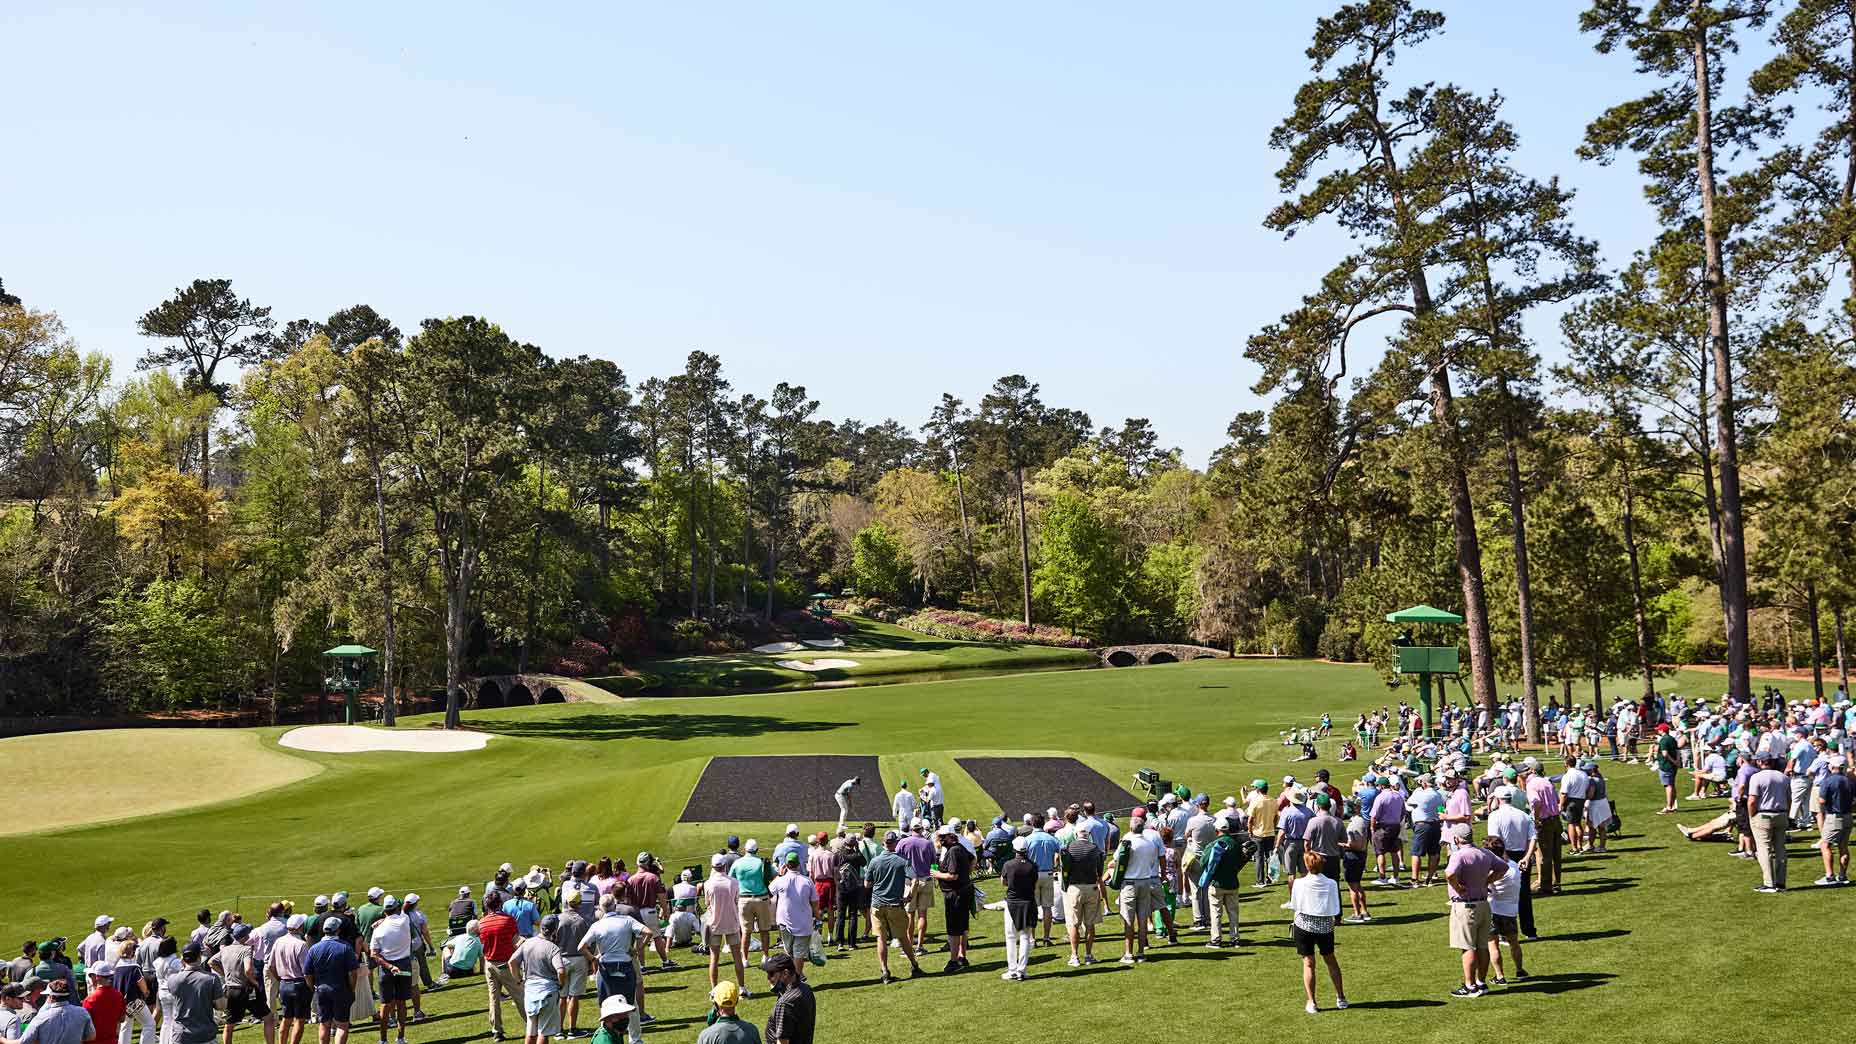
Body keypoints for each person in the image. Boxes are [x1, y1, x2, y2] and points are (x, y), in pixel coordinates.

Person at [577, 900, 649, 1044]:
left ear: (601, 909)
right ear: (614, 906)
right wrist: (637, 949)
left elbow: (581, 947)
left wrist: (593, 958)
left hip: (606, 969)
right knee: (630, 1003)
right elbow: (648, 932)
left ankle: (606, 1034)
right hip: (625, 965)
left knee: (605, 1004)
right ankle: (635, 1039)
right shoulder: (627, 920)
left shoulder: (597, 925)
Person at [1444, 833, 1506, 998]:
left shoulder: (1459, 855)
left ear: (1457, 839)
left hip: (1466, 906)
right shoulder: (1485, 853)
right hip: (1484, 905)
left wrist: (1458, 888)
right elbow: (1503, 867)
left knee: (1468, 947)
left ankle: (1470, 986)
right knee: (1483, 946)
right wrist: (1487, 881)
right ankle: (1481, 982)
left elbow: (1449, 874)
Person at [1288, 853, 1346, 1015]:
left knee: (1308, 963)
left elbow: (1295, 905)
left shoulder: (1299, 883)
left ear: (1307, 865)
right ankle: (1340, 997)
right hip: (1325, 927)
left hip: (1303, 926)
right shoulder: (1331, 883)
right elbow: (1335, 908)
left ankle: (1311, 1002)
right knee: (1331, 960)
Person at [864, 830, 921, 983]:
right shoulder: (902, 861)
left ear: (883, 843)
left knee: (881, 939)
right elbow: (915, 880)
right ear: (895, 843)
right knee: (903, 938)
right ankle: (914, 965)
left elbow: (867, 884)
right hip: (895, 904)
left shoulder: (875, 861)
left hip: (877, 905)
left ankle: (884, 971)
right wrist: (909, 897)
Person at [1115, 810, 1164, 965]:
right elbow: (1152, 863)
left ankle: (1129, 953)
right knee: (1142, 919)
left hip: (1130, 882)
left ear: (1130, 828)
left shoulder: (1127, 841)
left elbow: (1117, 860)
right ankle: (1141, 952)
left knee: (1128, 920)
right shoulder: (1150, 844)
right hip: (1145, 881)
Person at [209, 925, 272, 1044]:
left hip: (231, 990)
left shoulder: (225, 950)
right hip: (247, 990)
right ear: (244, 937)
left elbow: (211, 962)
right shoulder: (246, 949)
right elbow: (248, 970)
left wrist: (224, 973)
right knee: (268, 1018)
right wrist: (255, 982)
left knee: (230, 1024)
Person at [365, 898, 412, 1044]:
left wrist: (389, 966)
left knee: (385, 1004)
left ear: (384, 911)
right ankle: (400, 1038)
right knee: (401, 1003)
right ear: (396, 908)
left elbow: (374, 954)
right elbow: (407, 905)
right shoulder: (405, 920)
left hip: (386, 969)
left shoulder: (378, 929)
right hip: (404, 965)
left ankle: (383, 1040)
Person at [510, 917, 563, 1044]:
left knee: (530, 1030)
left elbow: (512, 962)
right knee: (543, 1032)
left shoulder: (527, 943)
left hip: (530, 991)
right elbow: (561, 971)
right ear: (555, 930)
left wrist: (518, 980)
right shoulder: (553, 948)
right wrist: (561, 984)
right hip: (548, 991)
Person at [1483, 838, 1529, 984]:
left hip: (1493, 910)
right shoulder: (1514, 866)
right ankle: (1520, 970)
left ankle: (1499, 976)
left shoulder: (1491, 870)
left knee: (1493, 945)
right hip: (1510, 912)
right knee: (1514, 943)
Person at [929, 824, 973, 973]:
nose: (940, 840)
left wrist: (937, 875)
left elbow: (952, 875)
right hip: (963, 891)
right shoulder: (959, 847)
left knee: (954, 929)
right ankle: (962, 956)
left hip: (955, 894)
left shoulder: (953, 851)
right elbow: (972, 860)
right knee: (963, 927)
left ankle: (954, 960)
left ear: (950, 837)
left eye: (942, 837)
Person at [1195, 816, 1246, 948]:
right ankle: (1235, 939)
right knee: (1233, 913)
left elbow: (1203, 862)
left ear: (1217, 830)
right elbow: (1241, 861)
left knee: (1216, 914)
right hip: (1233, 883)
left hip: (1216, 884)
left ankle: (1216, 940)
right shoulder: (1235, 844)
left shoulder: (1213, 845)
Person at [304, 922, 357, 1044]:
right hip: (341, 989)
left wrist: (313, 989)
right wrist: (352, 989)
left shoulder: (314, 948)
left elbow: (307, 974)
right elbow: (352, 973)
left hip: (321, 990)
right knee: (342, 1025)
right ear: (338, 930)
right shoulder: (345, 947)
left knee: (324, 1024)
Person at [477, 894, 521, 1042]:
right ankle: (533, 1024)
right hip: (506, 963)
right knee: (519, 996)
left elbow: (482, 943)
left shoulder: (481, 923)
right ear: (500, 904)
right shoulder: (508, 920)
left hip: (489, 964)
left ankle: (496, 1031)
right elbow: (516, 940)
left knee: (494, 998)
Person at [701, 856, 746, 996]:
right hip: (731, 922)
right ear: (725, 865)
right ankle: (742, 988)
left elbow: (707, 903)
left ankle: (714, 989)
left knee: (714, 957)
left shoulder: (708, 884)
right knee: (737, 956)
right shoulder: (733, 882)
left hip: (715, 923)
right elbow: (736, 900)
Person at [1746, 755, 1791, 892]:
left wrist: (1751, 815)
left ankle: (1769, 883)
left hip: (1763, 814)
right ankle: (1781, 883)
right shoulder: (1783, 777)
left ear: (1760, 762)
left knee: (1764, 849)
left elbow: (1752, 800)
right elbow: (1789, 799)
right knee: (1780, 849)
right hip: (1781, 813)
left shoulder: (1757, 777)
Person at [996, 837, 1037, 981]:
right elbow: (1034, 883)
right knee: (1025, 937)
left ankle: (1012, 970)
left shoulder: (1008, 865)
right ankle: (1021, 970)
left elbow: (1003, 882)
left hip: (1012, 903)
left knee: (1011, 937)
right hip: (1027, 903)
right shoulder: (1032, 865)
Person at [768, 854, 819, 968]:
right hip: (803, 922)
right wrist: (818, 919)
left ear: (786, 865)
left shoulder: (780, 880)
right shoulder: (807, 881)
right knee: (798, 953)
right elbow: (815, 904)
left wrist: (780, 875)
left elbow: (770, 891)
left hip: (785, 922)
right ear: (799, 864)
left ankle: (793, 978)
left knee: (790, 952)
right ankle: (796, 978)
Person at [267, 918, 310, 1044]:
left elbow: (271, 966)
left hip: (284, 984)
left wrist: (280, 978)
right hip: (299, 985)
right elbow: (306, 971)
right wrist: (311, 986)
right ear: (299, 927)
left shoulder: (278, 941)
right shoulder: (301, 944)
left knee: (286, 1018)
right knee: (299, 1020)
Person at [12, 977, 93, 1044]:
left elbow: (24, 1041)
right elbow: (91, 1036)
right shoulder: (82, 1012)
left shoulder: (41, 1017)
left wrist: (2, 1040)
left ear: (50, 997)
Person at [729, 841, 774, 960]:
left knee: (745, 932)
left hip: (744, 900)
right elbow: (773, 875)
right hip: (761, 899)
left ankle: (744, 958)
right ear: (757, 850)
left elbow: (731, 880)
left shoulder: (737, 863)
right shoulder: (761, 862)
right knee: (764, 930)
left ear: (744, 849)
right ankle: (765, 956)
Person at [758, 954, 813, 1044]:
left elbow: (782, 1041)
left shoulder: (785, 1003)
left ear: (785, 973)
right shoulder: (806, 989)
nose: (768, 978)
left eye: (771, 973)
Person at [1817, 755, 1853, 886]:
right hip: (1848, 816)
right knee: (1843, 847)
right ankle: (1842, 876)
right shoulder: (1850, 781)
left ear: (1832, 767)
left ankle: (1830, 876)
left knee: (1825, 845)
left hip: (1834, 817)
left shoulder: (1827, 781)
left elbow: (1822, 800)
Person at [1244, 780, 1278, 887]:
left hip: (1258, 833)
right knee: (1269, 857)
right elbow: (1276, 816)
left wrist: (1249, 831)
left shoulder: (1255, 802)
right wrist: (1273, 825)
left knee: (1259, 858)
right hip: (1270, 833)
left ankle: (1260, 881)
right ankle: (1269, 879)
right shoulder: (1273, 800)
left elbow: (1250, 820)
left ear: (1258, 789)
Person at [81, 965, 124, 1044]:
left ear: (97, 977)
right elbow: (122, 1018)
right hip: (112, 1041)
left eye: (91, 975)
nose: (90, 978)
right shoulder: (119, 995)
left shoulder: (89, 1000)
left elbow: (83, 1026)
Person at [1654, 724, 1682, 814]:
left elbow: (1665, 754)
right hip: (1672, 766)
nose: (1658, 731)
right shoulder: (1672, 739)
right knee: (1672, 785)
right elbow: (1677, 751)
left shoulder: (1663, 740)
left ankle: (1669, 807)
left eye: (1659, 730)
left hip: (1666, 766)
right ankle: (1673, 806)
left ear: (1662, 730)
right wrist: (1677, 761)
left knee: (1668, 786)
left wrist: (1674, 761)